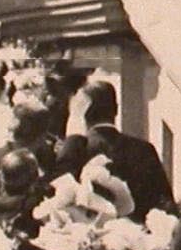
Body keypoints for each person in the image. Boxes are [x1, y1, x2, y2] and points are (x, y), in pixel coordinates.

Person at [65, 77, 170, 219]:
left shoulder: (74, 151)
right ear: (116, 109)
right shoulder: (144, 150)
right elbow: (165, 204)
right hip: (139, 231)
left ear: (83, 114)